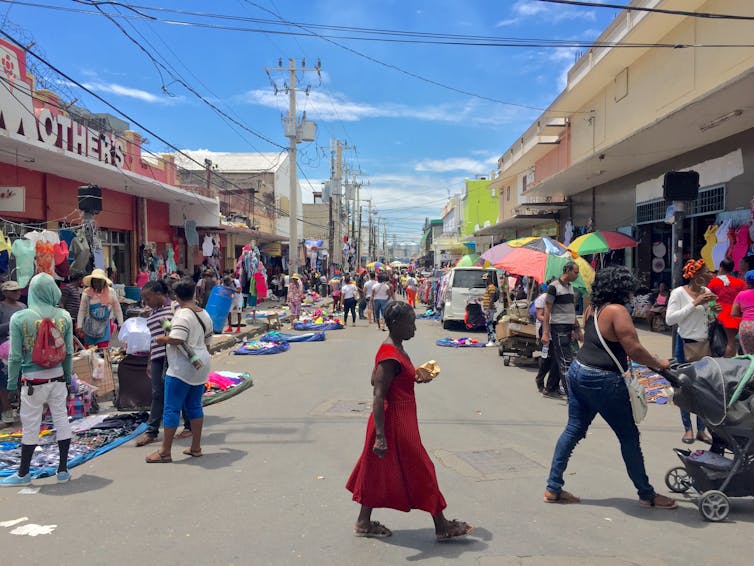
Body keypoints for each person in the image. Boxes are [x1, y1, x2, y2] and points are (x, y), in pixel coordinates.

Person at [544, 266, 676, 509]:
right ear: (622, 288)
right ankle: (646, 494)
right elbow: (633, 348)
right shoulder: (617, 311)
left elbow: (596, 341)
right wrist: (659, 363)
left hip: (578, 371)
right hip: (602, 379)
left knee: (573, 430)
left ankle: (553, 487)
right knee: (628, 436)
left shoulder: (591, 309)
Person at [346, 302, 473, 540]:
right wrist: (382, 437)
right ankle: (441, 525)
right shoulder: (390, 355)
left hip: (399, 419)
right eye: (410, 323)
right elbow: (377, 392)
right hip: (393, 423)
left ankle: (363, 522)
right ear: (395, 325)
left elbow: (379, 381)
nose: (414, 328)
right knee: (423, 468)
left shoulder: (396, 349)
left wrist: (414, 376)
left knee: (374, 470)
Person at [1, 274, 74, 485]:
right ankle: (62, 470)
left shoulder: (20, 318)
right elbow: (68, 352)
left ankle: (24, 473)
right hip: (58, 377)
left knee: (31, 425)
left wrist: (12, 384)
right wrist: (68, 379)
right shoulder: (64, 316)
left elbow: (14, 356)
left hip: (32, 380)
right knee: (61, 420)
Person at [145, 278, 212, 463]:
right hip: (201, 363)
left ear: (176, 296)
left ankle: (165, 452)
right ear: (194, 293)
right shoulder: (204, 313)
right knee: (194, 405)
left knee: (171, 408)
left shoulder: (183, 314)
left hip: (182, 367)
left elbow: (177, 338)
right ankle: (196, 447)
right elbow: (208, 342)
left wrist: (161, 339)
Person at [135, 280, 192, 448]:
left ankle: (187, 426)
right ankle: (152, 431)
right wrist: (149, 361)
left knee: (176, 391)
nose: (146, 302)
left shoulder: (175, 308)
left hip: (173, 355)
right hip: (157, 357)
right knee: (158, 393)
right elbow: (153, 339)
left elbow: (183, 331)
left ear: (159, 294)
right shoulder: (152, 312)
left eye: (148, 298)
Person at [666, 259, 717, 444]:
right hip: (684, 345)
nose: (710, 275)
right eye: (706, 272)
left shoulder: (708, 292)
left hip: (703, 344)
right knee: (684, 388)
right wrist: (694, 303)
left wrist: (714, 310)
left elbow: (710, 318)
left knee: (703, 389)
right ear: (695, 275)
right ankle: (688, 428)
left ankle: (702, 430)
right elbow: (670, 320)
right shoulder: (678, 293)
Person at [541, 262, 583, 395]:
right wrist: (546, 332)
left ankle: (551, 387)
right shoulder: (554, 287)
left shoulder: (570, 287)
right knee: (566, 361)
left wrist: (577, 328)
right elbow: (547, 309)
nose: (577, 275)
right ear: (568, 271)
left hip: (569, 327)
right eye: (575, 272)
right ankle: (573, 394)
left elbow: (571, 310)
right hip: (558, 327)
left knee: (558, 359)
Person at [0, 280, 26, 426]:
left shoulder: (23, 307)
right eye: (13, 291)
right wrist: (12, 323)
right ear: (5, 293)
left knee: (23, 380)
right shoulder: (1, 308)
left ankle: (25, 408)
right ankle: (7, 411)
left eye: (18, 290)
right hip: (4, 351)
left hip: (23, 348)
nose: (17, 293)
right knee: (4, 382)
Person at [708, 258, 746, 357]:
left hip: (720, 314)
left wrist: (713, 308)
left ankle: (728, 363)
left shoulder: (714, 281)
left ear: (720, 268)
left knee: (730, 341)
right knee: (732, 340)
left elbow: (708, 297)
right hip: (736, 314)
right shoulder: (740, 282)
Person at [77, 268, 123, 348]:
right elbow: (82, 310)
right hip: (89, 328)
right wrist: (79, 325)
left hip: (104, 328)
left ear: (104, 281)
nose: (97, 283)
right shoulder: (86, 293)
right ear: (92, 282)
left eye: (99, 281)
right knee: (90, 352)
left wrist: (120, 323)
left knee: (103, 351)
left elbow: (117, 309)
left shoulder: (111, 292)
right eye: (95, 281)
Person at [533, 282, 560, 396]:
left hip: (558, 329)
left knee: (558, 360)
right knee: (547, 359)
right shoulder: (542, 299)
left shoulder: (560, 298)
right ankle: (540, 380)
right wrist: (550, 319)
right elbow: (539, 315)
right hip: (545, 329)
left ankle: (553, 386)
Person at [732, 270, 754, 354]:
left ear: (747, 282)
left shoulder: (741, 294)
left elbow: (734, 313)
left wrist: (745, 313)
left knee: (749, 354)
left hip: (746, 326)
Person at [481, 273, 499, 347]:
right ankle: (490, 340)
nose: (484, 281)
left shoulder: (491, 287)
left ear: (488, 279)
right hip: (487, 309)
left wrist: (488, 310)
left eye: (485, 280)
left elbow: (491, 300)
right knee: (488, 324)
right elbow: (488, 298)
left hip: (490, 309)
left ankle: (492, 339)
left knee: (489, 324)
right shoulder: (488, 287)